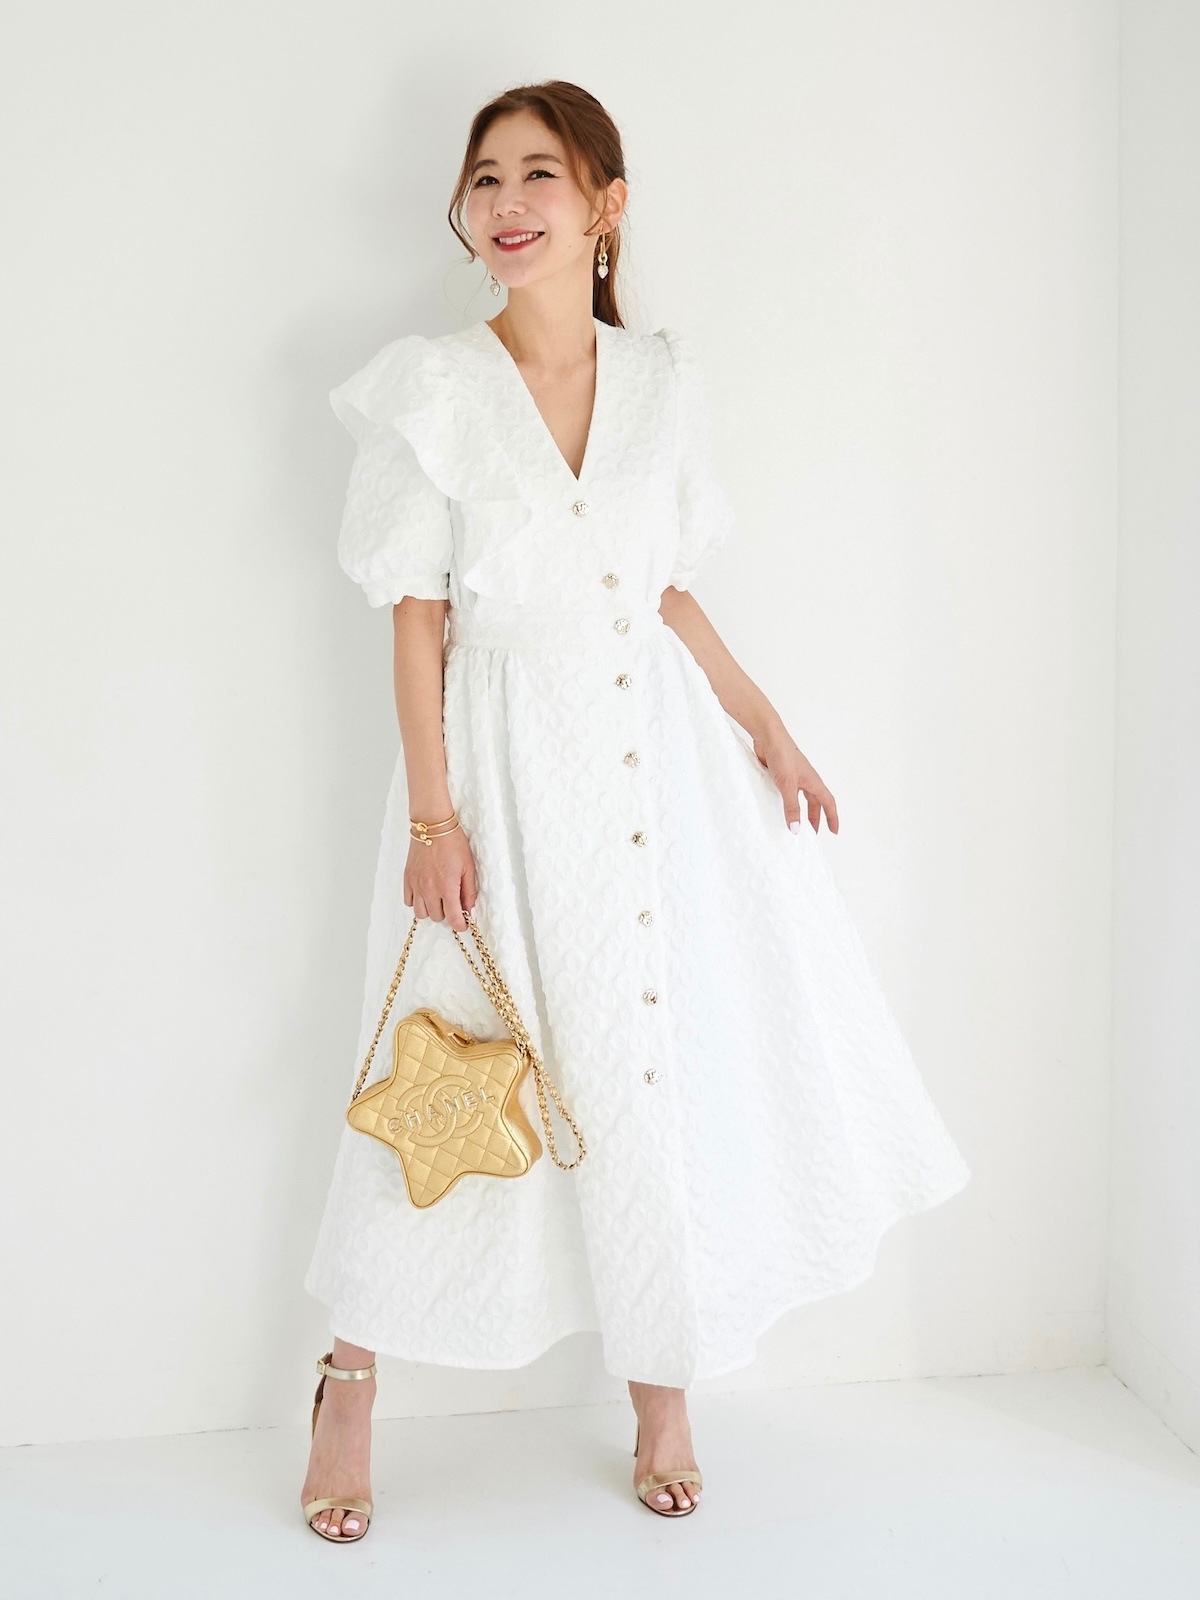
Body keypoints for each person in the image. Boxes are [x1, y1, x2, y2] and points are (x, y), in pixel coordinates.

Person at [300, 79, 971, 1542]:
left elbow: (664, 587)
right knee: (444, 1070)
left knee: (654, 1060)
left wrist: (765, 726)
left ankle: (663, 1386)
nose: (507, 201)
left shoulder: (662, 382)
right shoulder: (434, 388)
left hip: (653, 765)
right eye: (486, 177)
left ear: (606, 204)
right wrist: (433, 823)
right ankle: (350, 1378)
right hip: (496, 764)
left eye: (539, 173)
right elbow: (416, 618)